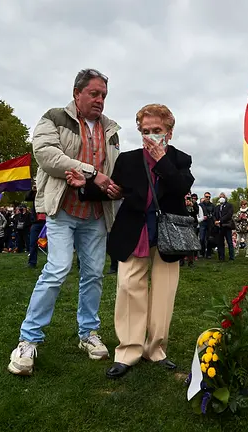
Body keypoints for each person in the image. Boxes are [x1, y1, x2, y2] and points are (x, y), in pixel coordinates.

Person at [8, 68, 122, 376]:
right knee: (56, 269)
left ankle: (88, 333)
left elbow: (111, 169)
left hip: (96, 214)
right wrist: (90, 172)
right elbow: (46, 155)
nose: (100, 100)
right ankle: (28, 340)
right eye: (94, 94)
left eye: (104, 96)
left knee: (94, 274)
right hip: (62, 210)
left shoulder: (111, 129)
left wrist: (111, 185)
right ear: (77, 93)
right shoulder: (53, 117)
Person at [69, 103, 193, 379]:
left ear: (169, 133)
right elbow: (114, 190)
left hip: (168, 237)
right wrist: (85, 187)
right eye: (145, 130)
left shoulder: (181, 159)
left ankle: (155, 349)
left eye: (157, 130)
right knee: (128, 289)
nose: (151, 135)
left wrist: (162, 160)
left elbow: (181, 187)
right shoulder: (128, 159)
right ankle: (128, 351)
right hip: (134, 233)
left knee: (164, 294)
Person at [214, 194, 235, 261]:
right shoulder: (217, 207)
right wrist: (215, 221)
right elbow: (214, 215)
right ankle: (221, 257)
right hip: (219, 227)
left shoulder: (229, 205)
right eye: (220, 197)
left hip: (226, 226)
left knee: (229, 242)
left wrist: (220, 221)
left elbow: (229, 215)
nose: (221, 198)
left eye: (222, 197)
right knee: (220, 242)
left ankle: (231, 257)